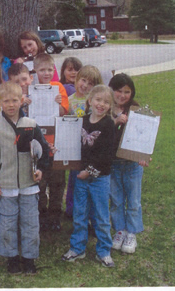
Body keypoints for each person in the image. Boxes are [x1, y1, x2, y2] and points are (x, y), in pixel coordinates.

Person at [0, 82, 49, 275]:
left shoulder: (31, 125)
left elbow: (44, 152)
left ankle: (29, 258)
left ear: (22, 101)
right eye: (6, 101)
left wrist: (41, 170)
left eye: (15, 100)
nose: (11, 104)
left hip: (29, 185)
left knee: (31, 222)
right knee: (7, 224)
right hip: (6, 186)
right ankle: (12, 258)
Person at [62, 84, 115, 268]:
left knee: (101, 215)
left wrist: (90, 171)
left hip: (99, 178)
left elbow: (107, 155)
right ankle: (77, 248)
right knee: (80, 212)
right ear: (90, 100)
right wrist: (60, 152)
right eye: (98, 100)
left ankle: (104, 251)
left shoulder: (108, 125)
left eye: (106, 102)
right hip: (80, 175)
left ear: (110, 106)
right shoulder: (82, 121)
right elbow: (71, 143)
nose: (101, 104)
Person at [108, 73, 149, 254]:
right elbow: (101, 135)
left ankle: (131, 233)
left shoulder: (136, 110)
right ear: (111, 91)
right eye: (118, 91)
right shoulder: (105, 108)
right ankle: (120, 230)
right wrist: (115, 121)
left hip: (132, 163)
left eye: (127, 91)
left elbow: (144, 135)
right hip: (113, 163)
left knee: (133, 200)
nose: (122, 95)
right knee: (116, 200)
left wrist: (143, 155)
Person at [32, 53, 69, 231]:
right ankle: (40, 214)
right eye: (42, 70)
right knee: (39, 182)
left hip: (56, 144)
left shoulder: (58, 87)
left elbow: (64, 113)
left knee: (57, 182)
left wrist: (58, 104)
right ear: (35, 70)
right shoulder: (31, 88)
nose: (46, 73)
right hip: (37, 146)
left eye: (49, 69)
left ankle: (55, 215)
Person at [65, 65, 103, 217]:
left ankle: (90, 211)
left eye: (90, 83)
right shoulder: (69, 100)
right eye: (83, 80)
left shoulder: (95, 102)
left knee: (91, 179)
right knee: (74, 179)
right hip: (74, 147)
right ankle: (71, 209)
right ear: (77, 78)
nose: (85, 85)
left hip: (91, 148)